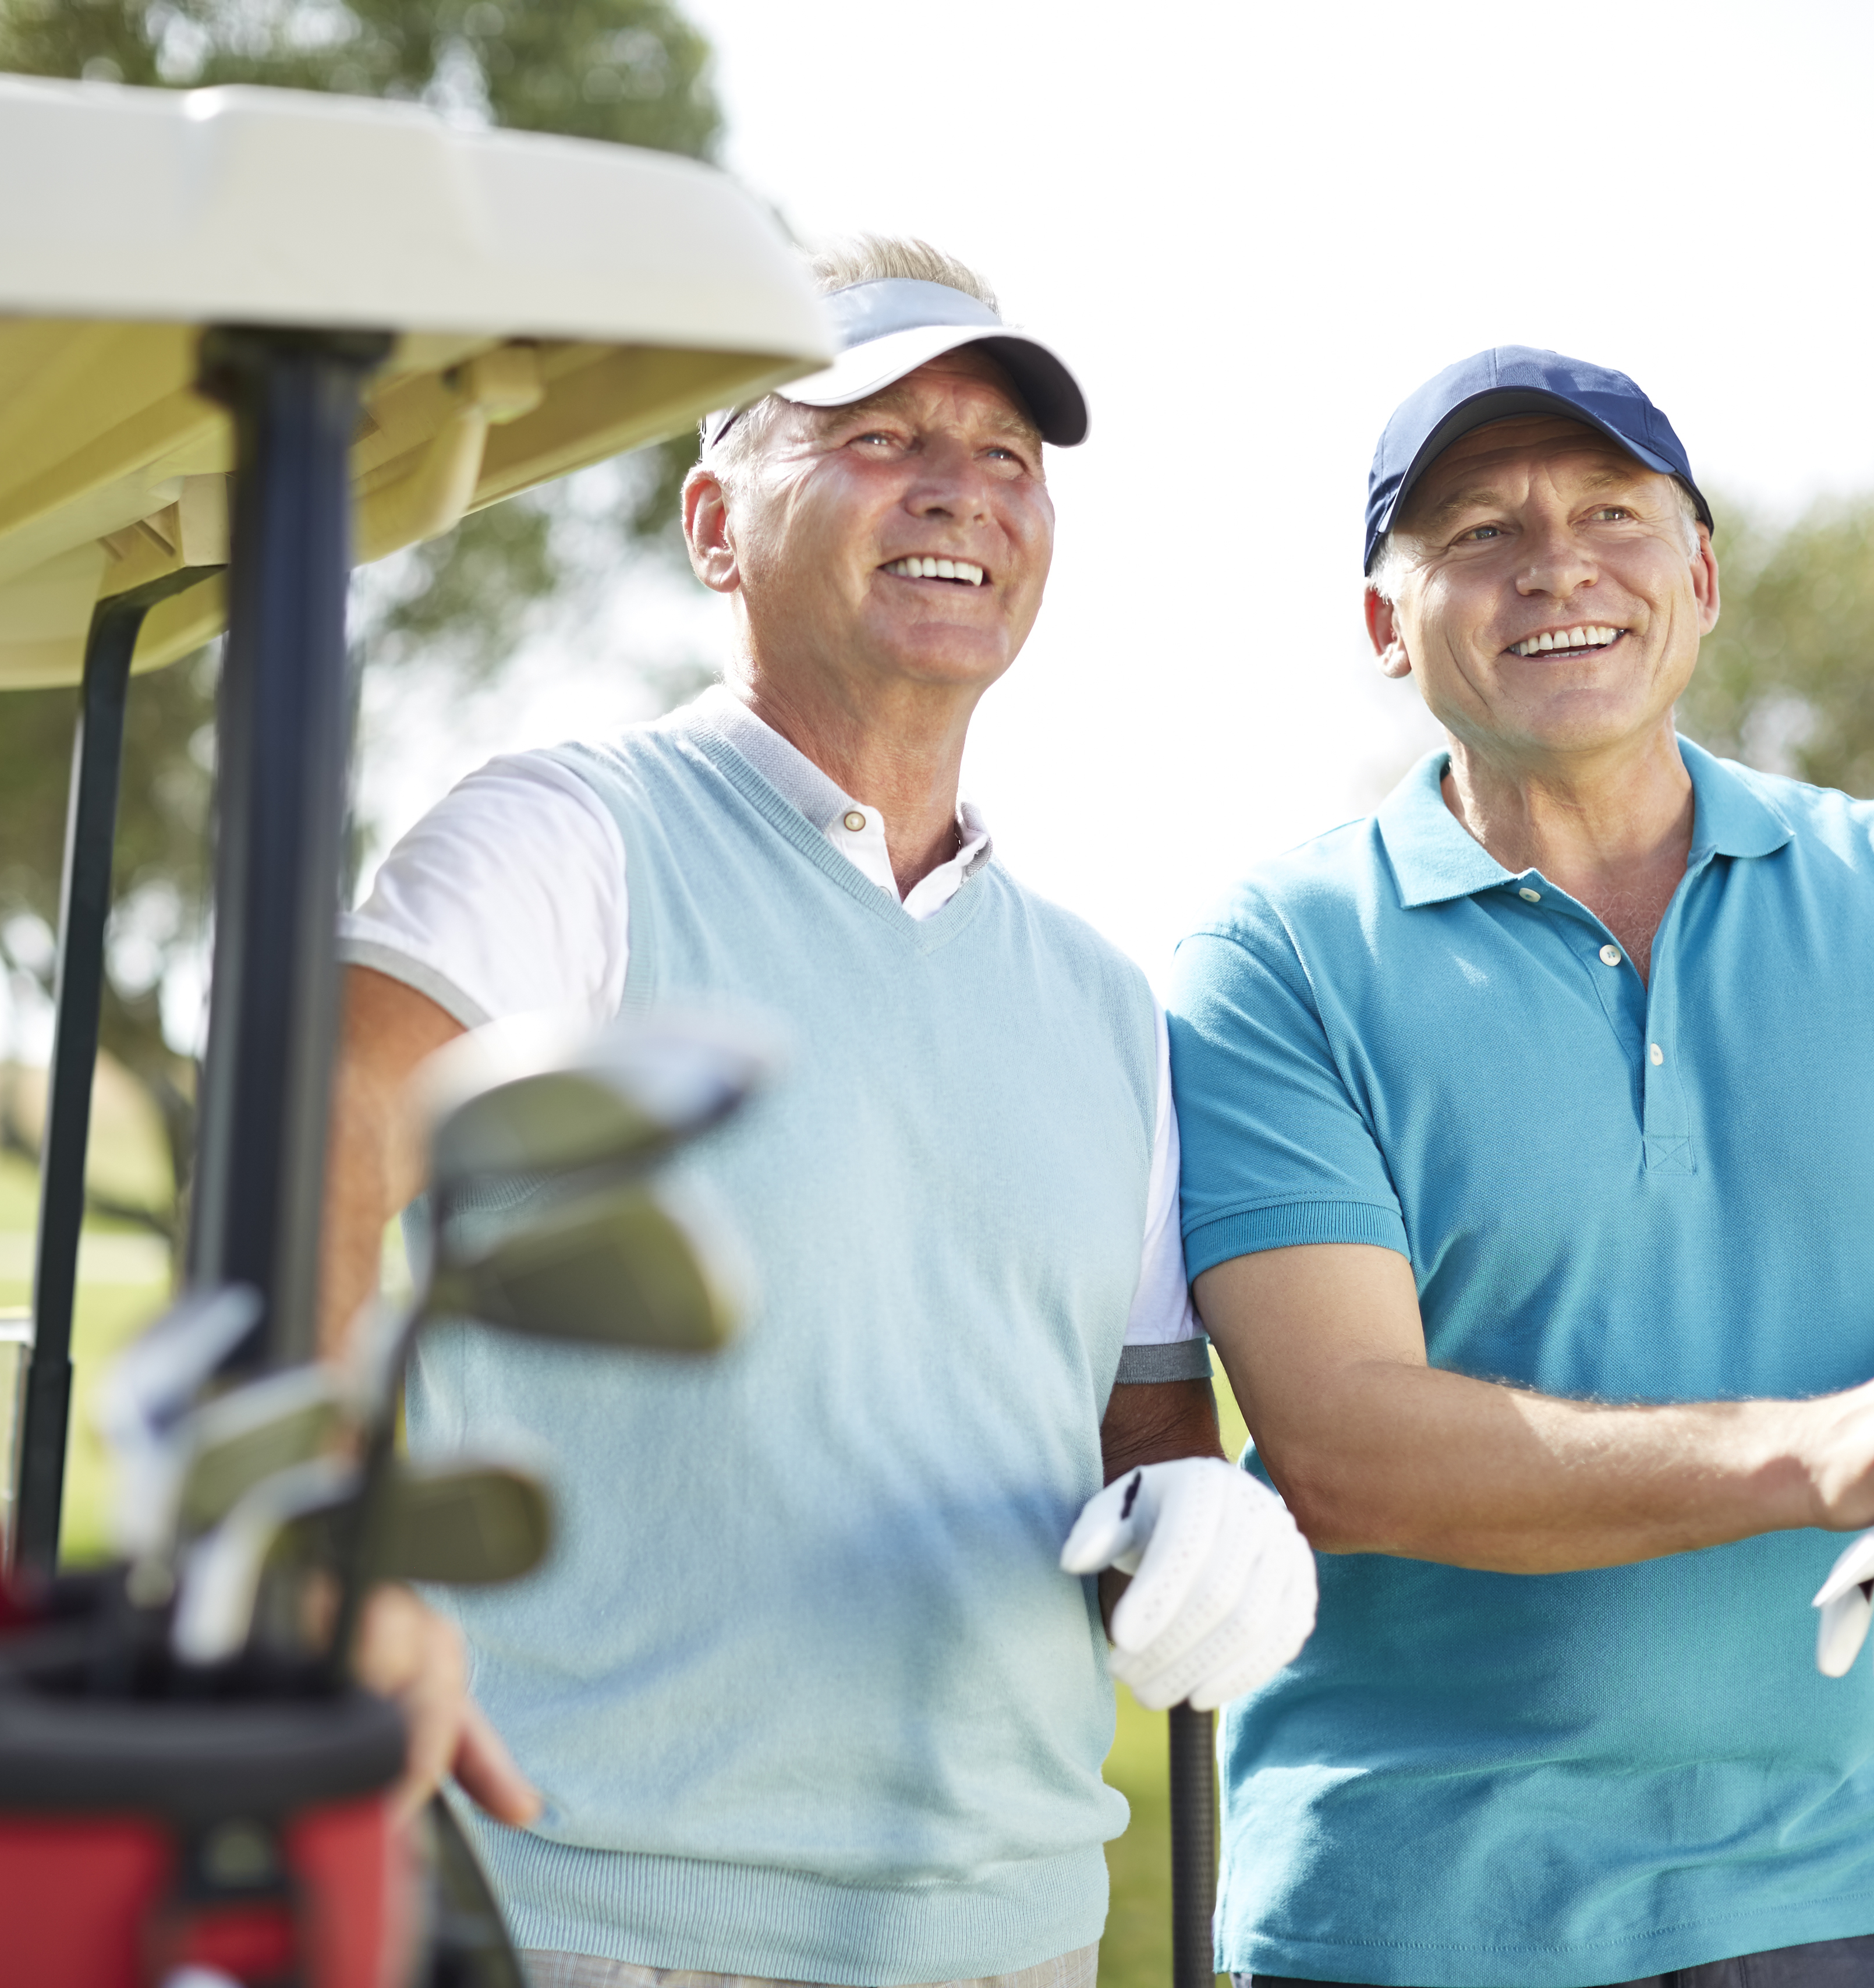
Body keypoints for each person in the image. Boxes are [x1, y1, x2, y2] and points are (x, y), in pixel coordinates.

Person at [323, 238, 1319, 1988]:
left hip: (1017, 1937)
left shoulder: (1102, 1002)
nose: (959, 487)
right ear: (716, 522)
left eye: (1006, 454)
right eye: (874, 432)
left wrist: (1199, 1523)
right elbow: (298, 1172)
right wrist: (334, 1557)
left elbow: (1136, 1434)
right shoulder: (563, 843)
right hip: (596, 1927)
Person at [1167, 347, 1874, 1988]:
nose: (1555, 561)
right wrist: (1818, 1451)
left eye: (1609, 513)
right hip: (1414, 1913)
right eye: (1479, 530)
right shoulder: (1270, 958)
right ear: (1384, 626)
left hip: (1865, 1892)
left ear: (1697, 579)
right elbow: (1342, 1440)